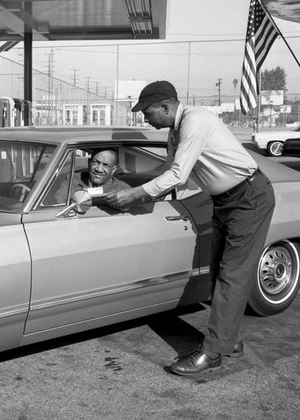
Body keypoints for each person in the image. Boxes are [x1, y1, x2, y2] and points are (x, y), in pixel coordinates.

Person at [104, 80, 275, 376]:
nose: (145, 117)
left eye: (147, 111)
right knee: (218, 271)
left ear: (166, 106)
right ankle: (229, 340)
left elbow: (177, 176)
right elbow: (164, 171)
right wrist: (127, 179)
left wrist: (134, 195)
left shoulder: (195, 121)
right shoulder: (176, 130)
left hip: (249, 197)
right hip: (225, 200)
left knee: (231, 276)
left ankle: (212, 354)